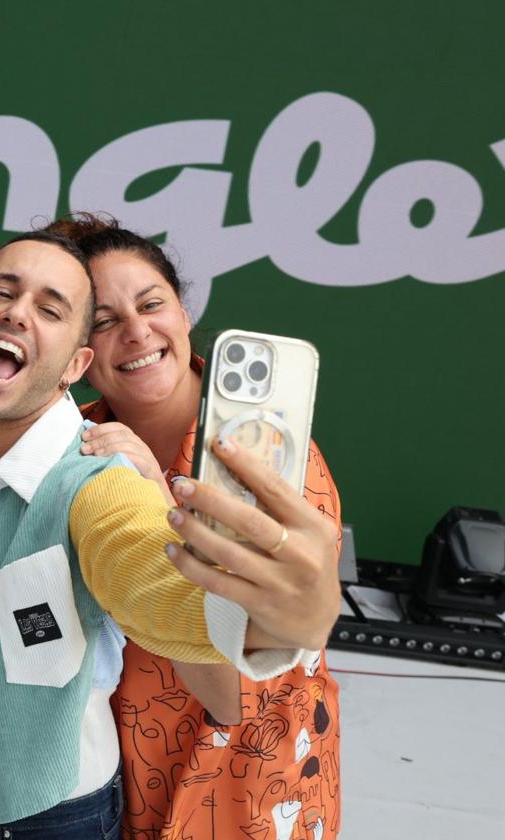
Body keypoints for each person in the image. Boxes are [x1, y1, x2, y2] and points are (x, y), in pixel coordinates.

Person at [0, 231, 340, 838]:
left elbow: (140, 563)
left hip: (219, 785)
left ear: (74, 365)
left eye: (51, 308)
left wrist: (265, 622)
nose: (18, 312)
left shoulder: (97, 476)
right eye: (4, 293)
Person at [60, 214, 344, 839]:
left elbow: (233, 697)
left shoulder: (273, 468)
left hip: (247, 785)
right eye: (103, 321)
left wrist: (152, 502)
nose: (135, 333)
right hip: (109, 774)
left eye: (151, 303)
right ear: (78, 351)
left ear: (184, 313)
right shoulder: (71, 438)